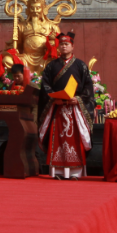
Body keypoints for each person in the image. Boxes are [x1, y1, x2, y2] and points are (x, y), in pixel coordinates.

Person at [39, 32, 94, 179]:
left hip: (75, 109)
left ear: (72, 46)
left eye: (66, 44)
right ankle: (57, 171)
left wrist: (79, 99)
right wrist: (53, 99)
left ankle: (75, 172)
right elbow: (45, 85)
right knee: (58, 139)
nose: (63, 46)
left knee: (74, 140)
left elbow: (88, 87)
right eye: (61, 44)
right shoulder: (51, 66)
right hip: (57, 108)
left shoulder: (80, 65)